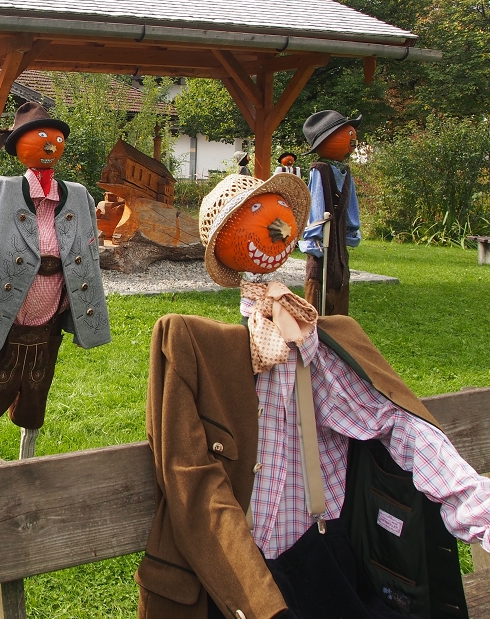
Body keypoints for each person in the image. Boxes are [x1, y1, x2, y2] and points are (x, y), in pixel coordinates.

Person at [136, 173, 490, 619]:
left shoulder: (319, 345)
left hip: (319, 561)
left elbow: (395, 421)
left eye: (274, 208)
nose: (275, 225)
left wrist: (477, 507)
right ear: (222, 245)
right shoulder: (191, 347)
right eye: (252, 212)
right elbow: (193, 485)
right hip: (234, 580)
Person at [0, 102, 110, 467]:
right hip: (0, 323)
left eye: (57, 137)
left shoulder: (78, 196)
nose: (51, 144)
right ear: (20, 144)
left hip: (45, 326)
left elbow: (90, 256)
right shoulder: (2, 192)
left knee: (34, 402)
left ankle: (28, 467)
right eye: (41, 136)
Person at [298, 110, 361, 315]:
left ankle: (338, 322)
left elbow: (350, 203)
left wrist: (351, 229)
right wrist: (315, 234)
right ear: (329, 140)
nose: (353, 139)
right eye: (347, 135)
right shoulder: (320, 169)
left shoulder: (345, 171)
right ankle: (318, 323)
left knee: (339, 277)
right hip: (323, 241)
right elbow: (315, 203)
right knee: (319, 280)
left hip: (338, 241)